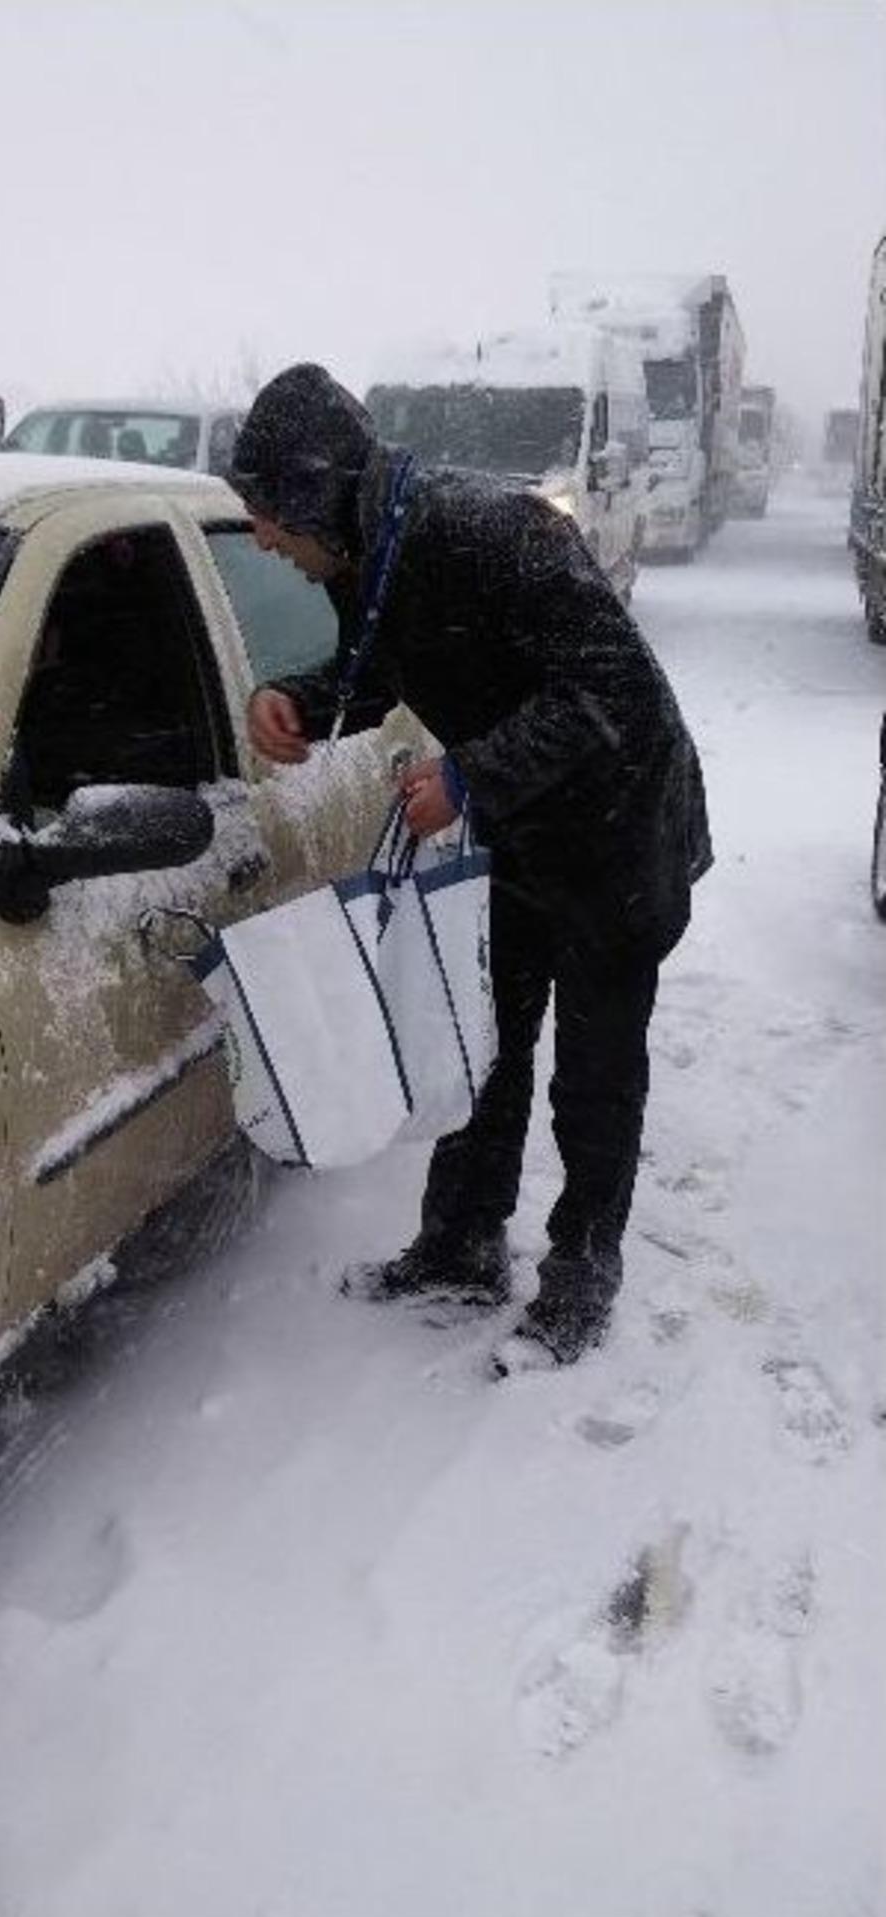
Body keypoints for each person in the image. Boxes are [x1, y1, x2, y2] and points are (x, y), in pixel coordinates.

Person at [228, 363, 712, 1373]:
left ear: (315, 493)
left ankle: (582, 1264)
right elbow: (389, 665)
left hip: (621, 830)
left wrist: (470, 775)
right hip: (525, 825)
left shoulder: (496, 532)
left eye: (268, 514)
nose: (264, 539)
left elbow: (608, 688)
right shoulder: (377, 549)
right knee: (485, 1037)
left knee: (595, 1068)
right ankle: (460, 1241)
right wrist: (302, 702)